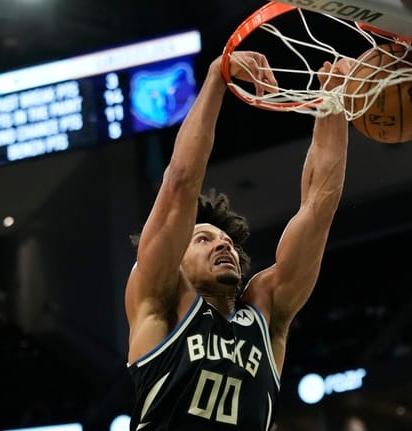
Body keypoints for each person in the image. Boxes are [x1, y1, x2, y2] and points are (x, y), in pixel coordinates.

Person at [124, 50, 350, 430]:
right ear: (175, 258)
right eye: (202, 239)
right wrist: (216, 78)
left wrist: (334, 105)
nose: (223, 244)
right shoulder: (160, 304)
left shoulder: (267, 311)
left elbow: (317, 208)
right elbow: (180, 182)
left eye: (226, 240)